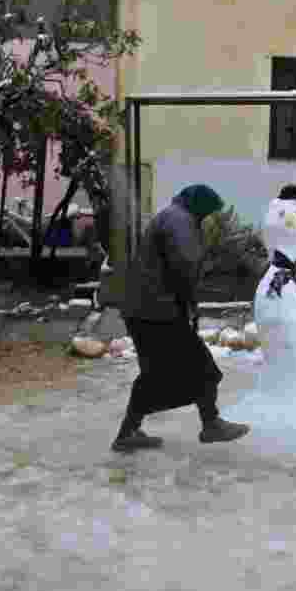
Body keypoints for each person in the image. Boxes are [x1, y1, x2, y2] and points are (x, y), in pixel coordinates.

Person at [114, 184, 252, 452]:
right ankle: (211, 425)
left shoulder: (173, 215)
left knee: (155, 375)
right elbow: (186, 265)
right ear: (199, 206)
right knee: (203, 368)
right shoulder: (180, 220)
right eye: (210, 213)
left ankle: (128, 432)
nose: (211, 219)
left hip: (146, 310)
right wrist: (190, 301)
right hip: (157, 312)